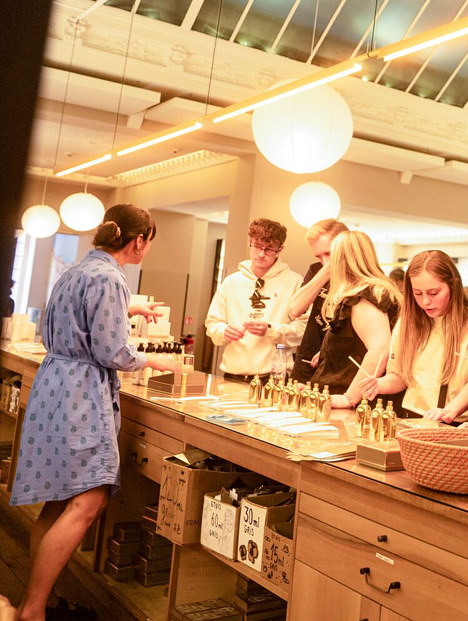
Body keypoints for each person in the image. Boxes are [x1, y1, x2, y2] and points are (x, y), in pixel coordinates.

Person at [11, 205, 181, 621]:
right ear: (139, 240)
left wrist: (129, 312)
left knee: (57, 502)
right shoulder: (111, 277)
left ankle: (41, 603)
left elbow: (83, 322)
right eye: (149, 242)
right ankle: (33, 611)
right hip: (81, 395)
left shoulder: (78, 270)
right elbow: (112, 351)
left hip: (56, 384)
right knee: (89, 501)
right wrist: (153, 362)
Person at [352, 251, 468, 419]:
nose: (425, 302)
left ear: (453, 285)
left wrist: (449, 411)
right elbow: (400, 377)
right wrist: (378, 385)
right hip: (411, 417)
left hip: (454, 422)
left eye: (434, 293)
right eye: (418, 293)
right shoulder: (407, 322)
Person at [204, 218, 305, 378]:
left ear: (280, 249)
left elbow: (302, 330)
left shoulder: (294, 282)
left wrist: (271, 330)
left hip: (273, 377)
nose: (261, 254)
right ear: (249, 242)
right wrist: (224, 331)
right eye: (257, 246)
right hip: (232, 374)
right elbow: (212, 323)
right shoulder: (232, 282)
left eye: (269, 249)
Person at [306, 231, 399, 403]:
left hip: (351, 400)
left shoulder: (364, 296)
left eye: (330, 256)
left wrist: (350, 398)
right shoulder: (368, 293)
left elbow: (380, 350)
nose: (325, 263)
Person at [287, 219, 348, 384]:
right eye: (319, 256)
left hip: (340, 368)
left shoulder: (355, 276)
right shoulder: (316, 270)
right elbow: (294, 310)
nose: (324, 260)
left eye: (328, 253)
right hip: (308, 358)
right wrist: (326, 271)